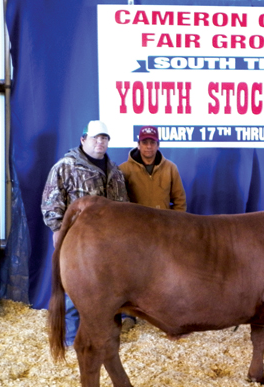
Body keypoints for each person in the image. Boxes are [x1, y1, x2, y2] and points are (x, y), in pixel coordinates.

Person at [41, 120, 132, 344]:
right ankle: (72, 339)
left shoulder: (115, 172)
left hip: (111, 241)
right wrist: (56, 229)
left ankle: (107, 335)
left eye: (104, 138)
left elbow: (123, 206)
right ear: (83, 140)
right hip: (79, 241)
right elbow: (51, 202)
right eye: (95, 138)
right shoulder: (66, 166)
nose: (100, 142)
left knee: (111, 288)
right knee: (76, 289)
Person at [119, 126, 187, 211]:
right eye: (144, 142)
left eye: (152, 142)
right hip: (136, 222)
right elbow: (119, 203)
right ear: (138, 145)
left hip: (163, 222)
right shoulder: (124, 169)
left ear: (158, 145)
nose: (149, 146)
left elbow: (180, 201)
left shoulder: (170, 168)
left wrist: (175, 222)